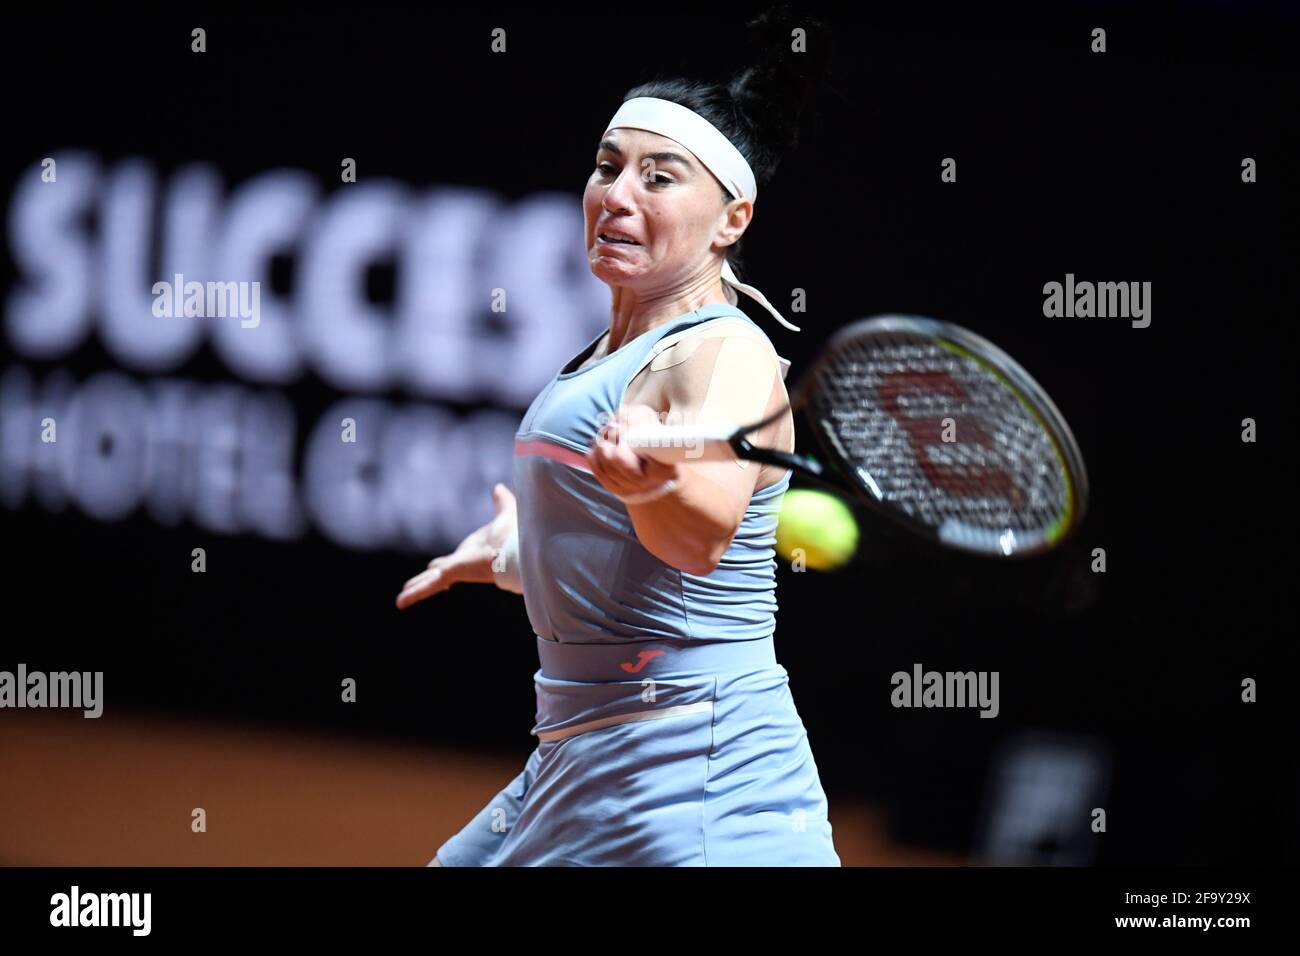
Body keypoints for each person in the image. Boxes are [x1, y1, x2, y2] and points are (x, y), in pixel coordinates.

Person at [397, 8, 839, 866]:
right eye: (608, 167)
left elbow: (701, 534)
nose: (618, 194)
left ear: (731, 220)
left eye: (660, 177)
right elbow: (630, 569)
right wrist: (521, 551)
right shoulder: (608, 351)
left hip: (698, 777)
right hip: (587, 757)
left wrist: (653, 487)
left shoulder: (725, 354)